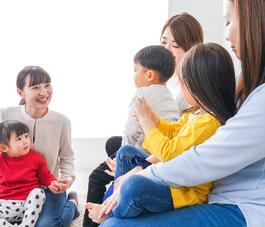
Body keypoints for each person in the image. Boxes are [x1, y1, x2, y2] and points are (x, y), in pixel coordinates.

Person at [97, 0, 265, 226]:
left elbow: (209, 157)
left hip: (249, 211)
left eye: (230, 21)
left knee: (113, 224)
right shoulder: (263, 79)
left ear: (260, 19)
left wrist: (146, 171)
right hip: (225, 196)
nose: (227, 34)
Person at [85, 42, 237, 224]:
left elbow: (169, 153)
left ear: (198, 85)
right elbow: (173, 130)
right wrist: (154, 119)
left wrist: (146, 121)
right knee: (126, 153)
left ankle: (110, 212)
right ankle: (115, 200)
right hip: (170, 178)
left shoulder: (208, 123)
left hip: (183, 192)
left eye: (182, 82)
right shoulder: (196, 114)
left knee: (134, 186)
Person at [83, 12, 203, 227]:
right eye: (163, 42)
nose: (166, 51)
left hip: (160, 156)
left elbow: (175, 147)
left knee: (101, 172)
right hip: (155, 147)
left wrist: (134, 166)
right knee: (113, 142)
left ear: (193, 49)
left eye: (174, 45)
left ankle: (99, 216)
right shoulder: (172, 89)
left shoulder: (192, 99)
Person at [0, 66, 79, 227]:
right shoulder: (6, 115)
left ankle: (72, 204)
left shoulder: (62, 121)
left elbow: (67, 158)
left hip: (47, 189)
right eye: (36, 87)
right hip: (12, 194)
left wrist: (66, 180)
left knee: (47, 225)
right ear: (21, 92)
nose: (44, 92)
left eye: (47, 85)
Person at [84, 45, 180, 226]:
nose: (133, 75)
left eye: (135, 70)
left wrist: (119, 161)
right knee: (112, 143)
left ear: (149, 75)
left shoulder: (142, 95)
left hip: (144, 153)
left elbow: (131, 132)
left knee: (95, 177)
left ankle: (92, 224)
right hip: (159, 150)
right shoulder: (169, 95)